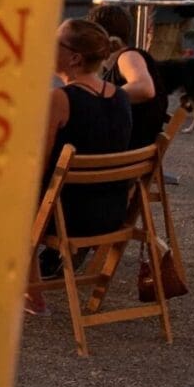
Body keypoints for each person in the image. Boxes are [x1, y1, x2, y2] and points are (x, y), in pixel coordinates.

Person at [30, 20, 133, 310]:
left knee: (11, 199)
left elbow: (39, 165)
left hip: (66, 219)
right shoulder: (121, 96)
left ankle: (31, 293)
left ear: (74, 57)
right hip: (113, 214)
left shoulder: (61, 99)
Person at [89, 3, 169, 149]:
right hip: (133, 152)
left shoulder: (128, 57)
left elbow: (144, 88)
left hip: (123, 154)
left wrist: (97, 99)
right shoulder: (115, 64)